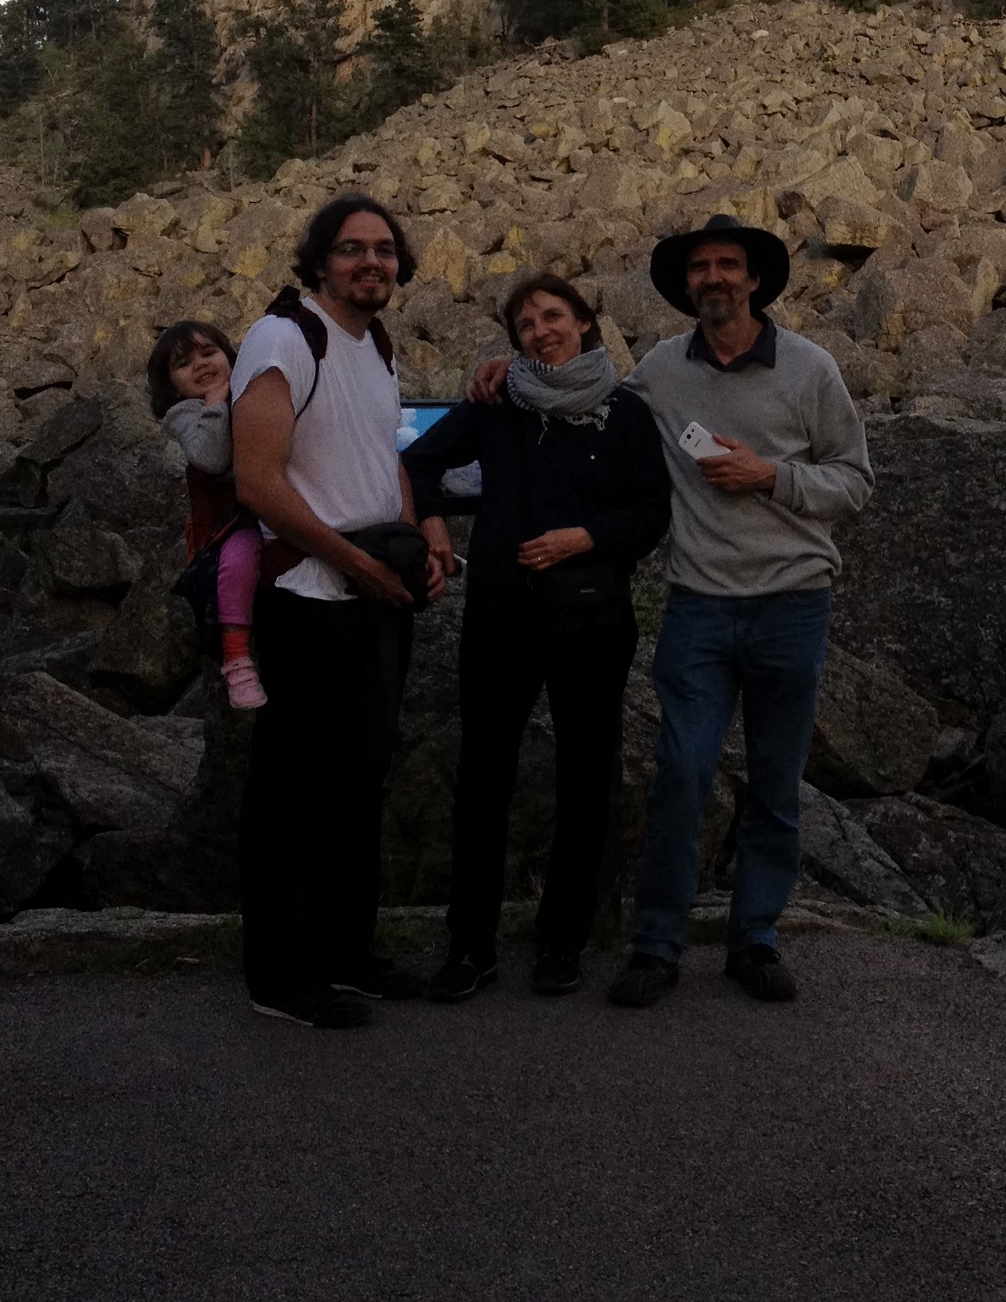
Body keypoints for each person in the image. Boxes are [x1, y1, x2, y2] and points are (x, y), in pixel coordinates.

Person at [478, 214, 873, 1006]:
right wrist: (512, 368)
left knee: (773, 780)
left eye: (729, 264)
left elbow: (855, 482)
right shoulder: (660, 367)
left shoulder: (811, 367)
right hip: (698, 603)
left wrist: (772, 477)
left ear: (755, 278)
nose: (716, 277)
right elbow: (586, 404)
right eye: (701, 268)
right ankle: (656, 942)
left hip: (792, 602)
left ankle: (754, 936)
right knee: (681, 774)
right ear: (685, 285)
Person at [404, 271, 672, 1001]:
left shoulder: (626, 414)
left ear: (586, 323)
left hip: (591, 612)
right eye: (525, 324)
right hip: (500, 609)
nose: (539, 331)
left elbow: (652, 512)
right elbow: (418, 459)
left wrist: (584, 536)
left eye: (553, 316)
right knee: (482, 774)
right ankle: (471, 945)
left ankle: (563, 942)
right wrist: (430, 523)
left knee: (587, 775)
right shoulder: (498, 402)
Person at [231, 192, 452, 1030]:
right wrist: (355, 560)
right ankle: (280, 973)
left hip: (369, 594)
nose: (372, 262)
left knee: (359, 780)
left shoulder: (376, 345)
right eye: (353, 249)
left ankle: (344, 950)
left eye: (385, 250)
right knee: (293, 788)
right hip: (307, 596)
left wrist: (417, 538)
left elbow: (383, 458)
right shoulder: (285, 337)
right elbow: (259, 480)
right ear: (319, 260)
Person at [147, 319, 266, 709]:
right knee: (239, 561)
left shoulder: (252, 391)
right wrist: (217, 400)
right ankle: (236, 658)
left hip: (274, 508)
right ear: (170, 384)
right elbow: (212, 458)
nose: (200, 364)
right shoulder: (185, 414)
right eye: (183, 363)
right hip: (229, 527)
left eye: (209, 352)